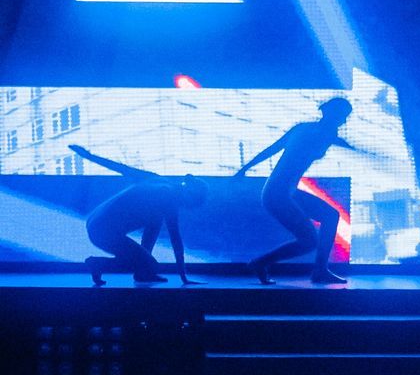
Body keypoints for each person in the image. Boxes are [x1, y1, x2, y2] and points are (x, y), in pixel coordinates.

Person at [236, 97, 359, 285]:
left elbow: (273, 149)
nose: (343, 121)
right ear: (332, 114)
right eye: (342, 116)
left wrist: (245, 169)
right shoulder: (323, 133)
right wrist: (245, 168)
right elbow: (274, 149)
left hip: (285, 191)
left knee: (330, 216)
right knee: (309, 241)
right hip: (278, 194)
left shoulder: (305, 129)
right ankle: (261, 263)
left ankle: (319, 270)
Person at [70, 145, 206, 287]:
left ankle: (143, 272)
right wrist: (184, 278)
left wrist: (89, 156)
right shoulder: (169, 198)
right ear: (189, 195)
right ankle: (99, 263)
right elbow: (176, 240)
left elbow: (121, 168)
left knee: (155, 221)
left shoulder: (156, 179)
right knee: (151, 264)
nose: (186, 208)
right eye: (191, 204)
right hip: (102, 232)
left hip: (95, 223)